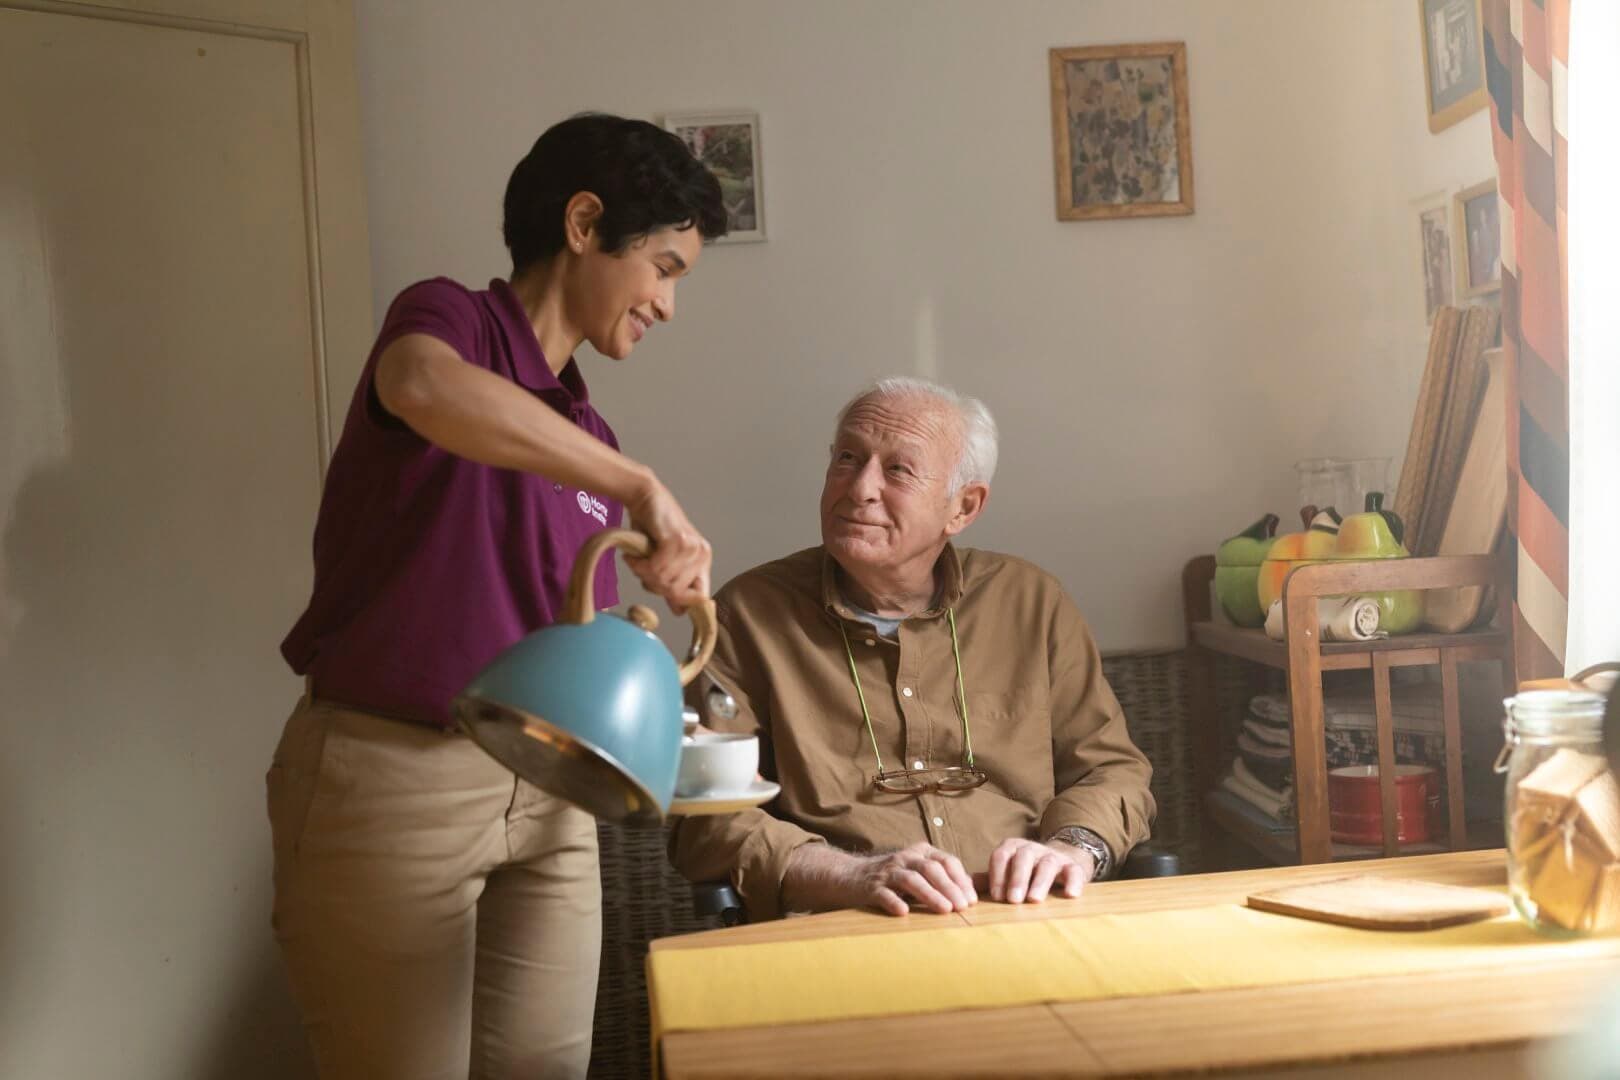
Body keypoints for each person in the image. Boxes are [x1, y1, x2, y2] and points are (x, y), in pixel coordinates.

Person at [268, 113, 727, 1079]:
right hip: (397, 777)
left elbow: (550, 637)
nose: (669, 306)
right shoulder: (449, 321)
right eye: (666, 268)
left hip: (551, 790)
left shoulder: (582, 422)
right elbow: (425, 388)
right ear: (584, 223)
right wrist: (640, 484)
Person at [669, 377, 1155, 920]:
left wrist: (1072, 848)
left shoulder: (1030, 602)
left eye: (897, 470)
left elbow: (1110, 770)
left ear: (963, 508)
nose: (859, 488)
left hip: (1026, 912)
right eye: (848, 459)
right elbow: (704, 819)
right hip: (849, 924)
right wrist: (847, 874)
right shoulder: (747, 615)